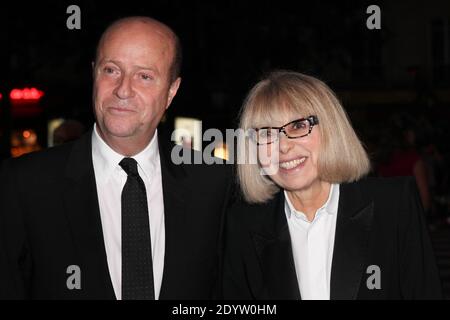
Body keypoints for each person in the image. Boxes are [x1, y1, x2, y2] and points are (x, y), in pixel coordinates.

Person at [0, 16, 232, 300]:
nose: (123, 89)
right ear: (94, 74)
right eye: (111, 70)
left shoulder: (216, 184)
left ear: (171, 91)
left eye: (144, 76)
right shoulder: (24, 184)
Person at [222, 71, 442, 300]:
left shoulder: (394, 206)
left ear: (331, 129)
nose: (283, 146)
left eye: (298, 126)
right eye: (267, 133)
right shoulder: (243, 225)